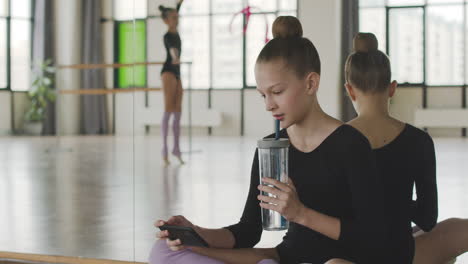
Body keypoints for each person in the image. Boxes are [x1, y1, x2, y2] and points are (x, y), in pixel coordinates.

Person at [149, 16, 387, 264]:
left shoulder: (350, 144)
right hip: (285, 258)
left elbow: (372, 236)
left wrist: (301, 214)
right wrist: (195, 232)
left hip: (340, 260)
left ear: (311, 83)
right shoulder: (270, 147)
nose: (269, 105)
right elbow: (248, 231)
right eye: (263, 95)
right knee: (164, 250)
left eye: (277, 92)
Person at [326, 32, 468, 264]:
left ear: (349, 90)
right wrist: (396, 203)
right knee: (454, 235)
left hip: (351, 255)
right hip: (400, 252)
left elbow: (329, 213)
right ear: (392, 88)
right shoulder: (419, 140)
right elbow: (427, 218)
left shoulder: (333, 140)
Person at [159, 0, 184, 166]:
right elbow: (172, 48)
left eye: (177, 17)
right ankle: (164, 149)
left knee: (178, 111)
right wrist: (175, 57)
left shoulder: (176, 32)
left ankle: (176, 148)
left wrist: (179, 3)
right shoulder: (168, 35)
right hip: (168, 71)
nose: (176, 19)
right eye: (173, 18)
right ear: (166, 20)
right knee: (168, 109)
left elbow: (176, 8)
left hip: (177, 73)